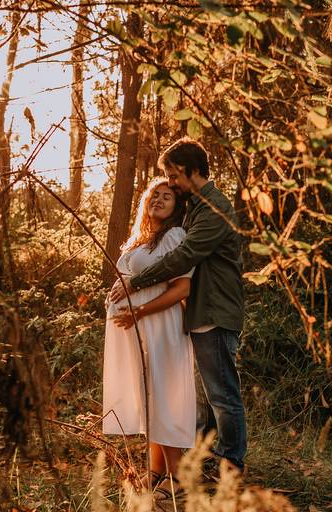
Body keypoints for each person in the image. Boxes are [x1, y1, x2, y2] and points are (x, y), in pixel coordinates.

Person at [109, 137, 247, 475]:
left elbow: (185, 257)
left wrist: (136, 283)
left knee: (222, 395)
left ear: (192, 170)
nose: (170, 182)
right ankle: (209, 459)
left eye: (173, 175)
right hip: (200, 312)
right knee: (209, 397)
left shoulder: (214, 208)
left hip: (214, 310)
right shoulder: (196, 205)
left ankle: (231, 464)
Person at [102, 177, 196, 492]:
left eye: (167, 196)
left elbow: (181, 289)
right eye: (154, 194)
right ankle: (157, 471)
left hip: (160, 325)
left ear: (177, 207)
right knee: (150, 395)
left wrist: (140, 311)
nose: (158, 199)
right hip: (137, 328)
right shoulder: (141, 239)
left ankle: (179, 477)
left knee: (164, 396)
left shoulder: (174, 236)